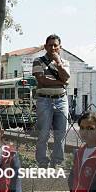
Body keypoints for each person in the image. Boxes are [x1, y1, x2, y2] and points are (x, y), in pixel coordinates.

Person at [32, 34, 71, 168]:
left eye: (55, 45)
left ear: (60, 47)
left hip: (61, 100)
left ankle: (57, 161)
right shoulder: (38, 61)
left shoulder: (65, 63)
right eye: (50, 45)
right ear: (45, 47)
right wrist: (61, 82)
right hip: (44, 100)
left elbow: (66, 76)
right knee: (44, 132)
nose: (53, 48)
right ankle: (42, 161)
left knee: (61, 132)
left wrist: (58, 63)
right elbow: (41, 80)